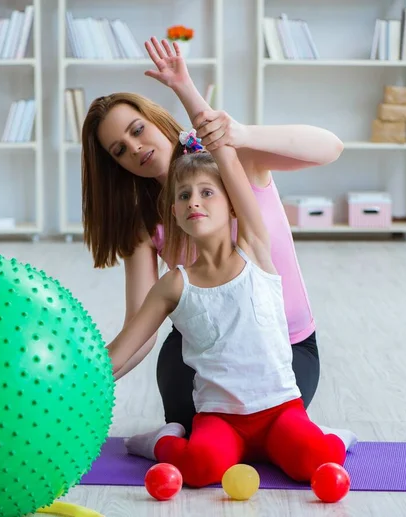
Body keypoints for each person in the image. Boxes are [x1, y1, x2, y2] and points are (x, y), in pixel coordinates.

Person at [106, 39, 346, 487]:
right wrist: (75, 386)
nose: (133, 148)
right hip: (207, 368)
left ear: (232, 205)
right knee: (200, 457)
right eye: (118, 149)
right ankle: (169, 437)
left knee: (296, 452)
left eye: (137, 130)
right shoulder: (155, 240)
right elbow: (137, 332)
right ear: (172, 212)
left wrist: (197, 98)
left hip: (283, 355)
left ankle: (318, 437)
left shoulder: (244, 207)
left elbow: (330, 146)